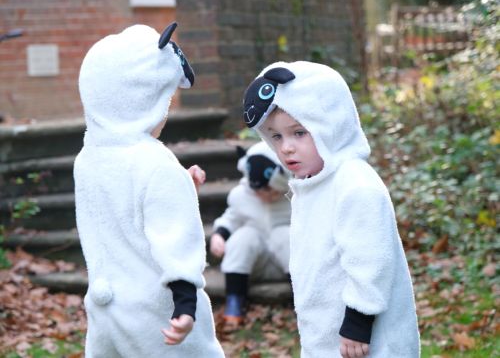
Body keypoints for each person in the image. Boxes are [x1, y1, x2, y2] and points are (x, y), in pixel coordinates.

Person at [242, 61, 420, 357]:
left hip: (365, 338)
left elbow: (371, 257)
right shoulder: (311, 184)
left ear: (331, 124)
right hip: (325, 330)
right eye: (276, 136)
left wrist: (359, 321)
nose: (286, 147)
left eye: (299, 132)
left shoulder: (354, 183)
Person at [74, 23, 224, 357]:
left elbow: (123, 216)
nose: (164, 112)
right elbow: (172, 237)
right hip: (158, 315)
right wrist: (185, 304)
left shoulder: (88, 159)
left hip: (106, 314)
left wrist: (183, 190)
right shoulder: (155, 163)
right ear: (142, 99)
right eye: (164, 99)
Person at [209, 141, 291, 325]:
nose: (269, 196)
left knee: (285, 235)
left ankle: (301, 296)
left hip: (287, 263)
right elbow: (231, 219)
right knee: (245, 236)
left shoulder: (295, 196)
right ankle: (235, 298)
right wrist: (218, 235)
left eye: (275, 191)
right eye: (263, 191)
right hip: (254, 264)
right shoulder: (241, 196)